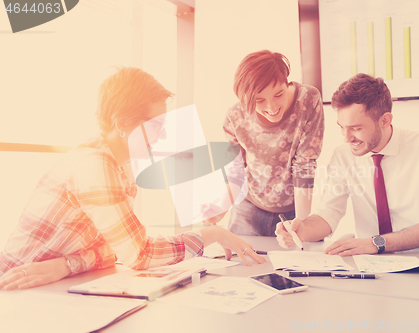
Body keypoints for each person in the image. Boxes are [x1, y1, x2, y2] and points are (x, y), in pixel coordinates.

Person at [0, 67, 265, 291]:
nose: (162, 136)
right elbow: (140, 254)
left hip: (49, 286)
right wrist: (214, 233)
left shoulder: (120, 165)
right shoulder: (95, 164)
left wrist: (68, 264)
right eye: (156, 125)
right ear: (122, 122)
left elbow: (114, 249)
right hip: (15, 286)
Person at [276, 73, 419, 255]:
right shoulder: (343, 156)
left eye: (356, 128)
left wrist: (376, 243)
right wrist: (303, 230)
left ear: (385, 121)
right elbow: (329, 211)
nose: (346, 138)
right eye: (342, 127)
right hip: (372, 265)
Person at [201, 50, 325, 236]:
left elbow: (304, 166)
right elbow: (237, 171)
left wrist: (301, 225)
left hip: (292, 209)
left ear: (287, 82)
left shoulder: (308, 100)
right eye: (259, 100)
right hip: (248, 208)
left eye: (278, 94)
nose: (271, 107)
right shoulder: (235, 117)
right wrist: (220, 209)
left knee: (294, 262)